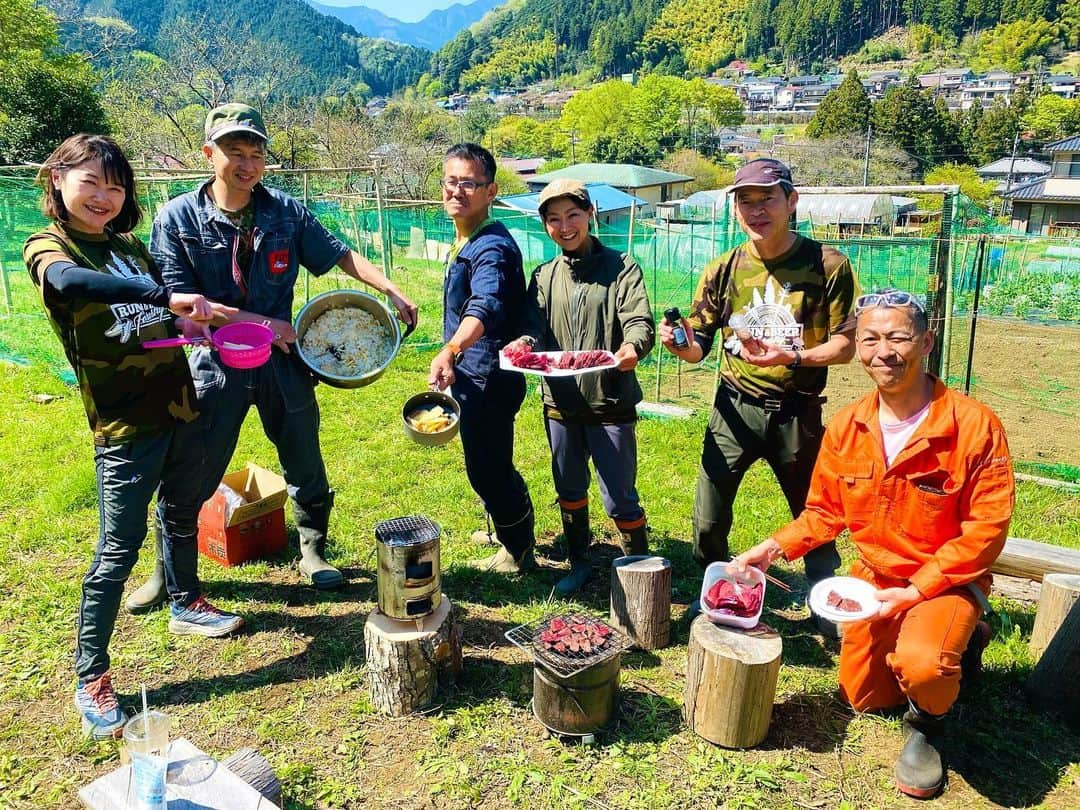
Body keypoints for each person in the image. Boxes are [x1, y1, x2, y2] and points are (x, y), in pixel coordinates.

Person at [126, 103, 417, 608]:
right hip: (214, 361)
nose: (247, 164)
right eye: (234, 152)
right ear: (208, 153)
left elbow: (338, 252)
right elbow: (182, 301)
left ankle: (313, 550)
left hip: (282, 359)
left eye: (256, 153)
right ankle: (167, 571)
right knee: (194, 463)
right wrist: (260, 323)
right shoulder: (177, 218)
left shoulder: (285, 211)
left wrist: (389, 287)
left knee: (304, 453)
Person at [731, 289, 1014, 798]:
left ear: (926, 342)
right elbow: (823, 511)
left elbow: (987, 529)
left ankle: (928, 727)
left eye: (898, 336)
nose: (884, 351)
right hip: (874, 580)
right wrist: (771, 549)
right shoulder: (848, 425)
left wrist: (918, 590)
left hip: (944, 580)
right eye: (870, 339)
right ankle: (959, 642)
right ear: (856, 348)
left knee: (923, 669)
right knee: (861, 696)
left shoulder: (974, 427)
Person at [24, 134, 245, 738]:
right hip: (124, 425)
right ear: (59, 181)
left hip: (178, 405)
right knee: (115, 551)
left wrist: (196, 326)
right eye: (90, 182)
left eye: (114, 187)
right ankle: (90, 673)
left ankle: (185, 601)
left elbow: (164, 318)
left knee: (182, 510)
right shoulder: (51, 247)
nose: (103, 197)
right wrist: (160, 294)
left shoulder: (129, 248)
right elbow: (71, 286)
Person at [659, 157, 859, 624]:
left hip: (797, 410)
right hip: (733, 407)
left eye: (766, 199)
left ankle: (825, 602)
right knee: (708, 515)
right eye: (744, 202)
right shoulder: (724, 268)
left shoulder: (827, 265)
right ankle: (715, 590)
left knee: (814, 514)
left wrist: (790, 357)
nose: (756, 210)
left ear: (791, 201)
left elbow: (846, 346)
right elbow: (699, 348)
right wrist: (679, 342)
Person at [507, 180, 654, 594]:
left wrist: (631, 346)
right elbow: (532, 327)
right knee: (569, 487)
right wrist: (524, 342)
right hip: (561, 403)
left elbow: (639, 322)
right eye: (553, 219)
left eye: (572, 215)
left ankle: (639, 569)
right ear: (545, 226)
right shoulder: (544, 276)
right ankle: (579, 560)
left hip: (610, 400)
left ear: (590, 214)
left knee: (619, 495)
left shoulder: (621, 267)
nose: (564, 226)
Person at [428, 143, 536, 573]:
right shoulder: (467, 239)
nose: (458, 191)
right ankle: (506, 523)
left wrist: (452, 348)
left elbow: (486, 305)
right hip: (470, 374)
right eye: (451, 182)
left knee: (487, 468)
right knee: (490, 460)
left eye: (469, 183)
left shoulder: (492, 248)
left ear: (490, 191)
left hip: (488, 377)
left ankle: (517, 547)